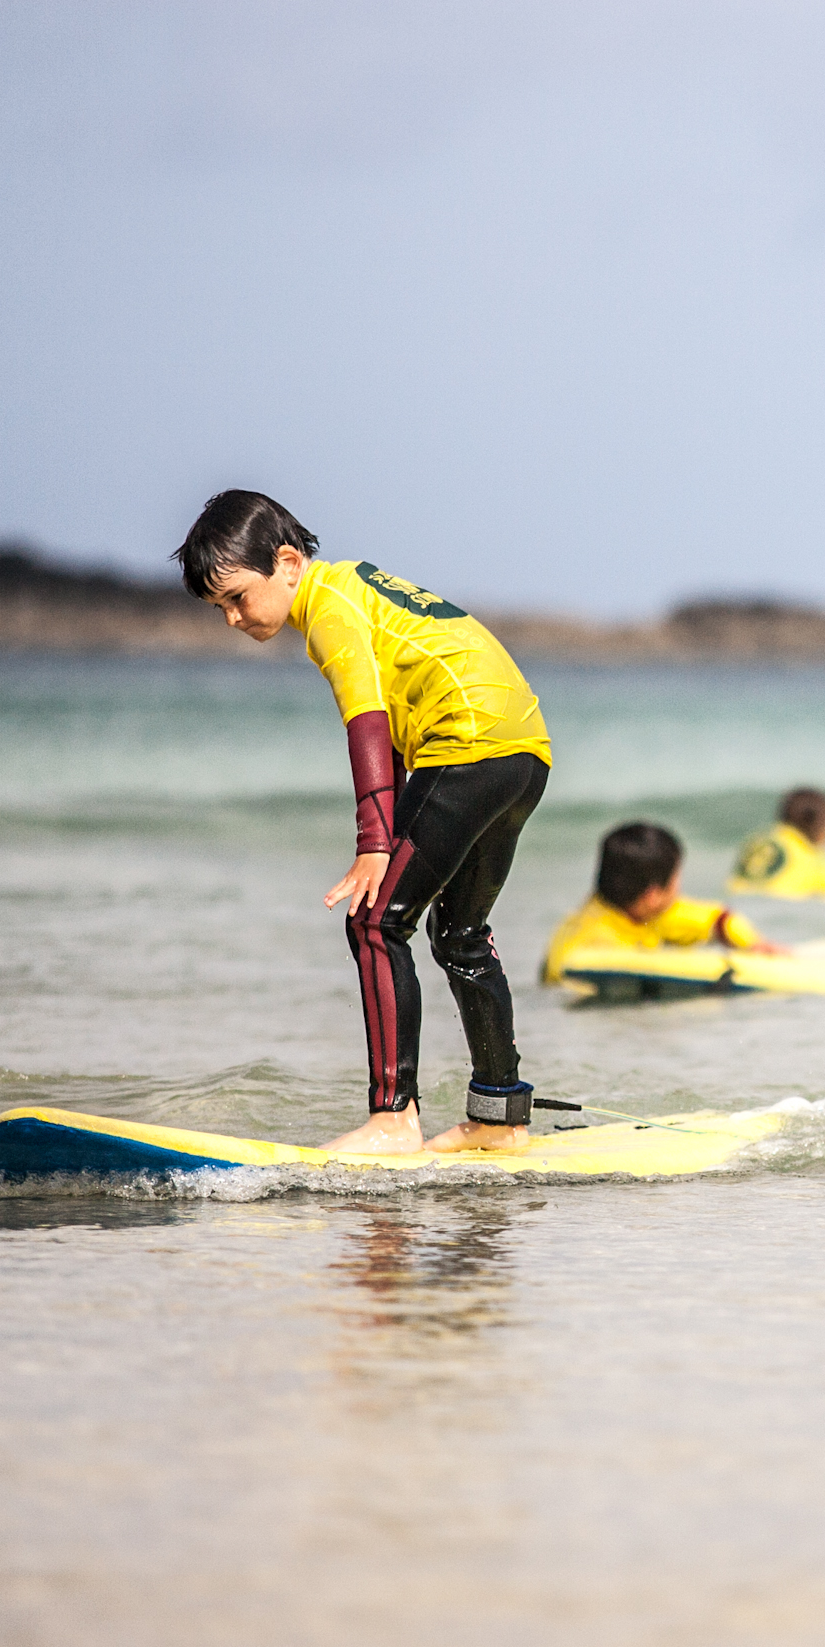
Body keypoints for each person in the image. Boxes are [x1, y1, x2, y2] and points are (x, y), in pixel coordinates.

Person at [176, 490, 551, 1156]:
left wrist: (374, 843)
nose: (233, 617)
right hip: (523, 750)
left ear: (288, 562)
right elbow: (407, 713)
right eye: (219, 608)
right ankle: (500, 1118)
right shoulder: (358, 589)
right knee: (460, 932)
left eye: (237, 596)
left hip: (467, 741)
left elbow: (367, 722)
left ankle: (394, 1117)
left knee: (374, 918)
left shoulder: (327, 605)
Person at [543, 822, 785, 985]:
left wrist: (753, 945)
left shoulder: (645, 913)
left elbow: (718, 919)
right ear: (653, 895)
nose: (679, 890)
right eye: (676, 880)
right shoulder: (591, 940)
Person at [729, 787, 825, 898]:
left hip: (738, 904)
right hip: (778, 907)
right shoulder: (809, 854)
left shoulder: (758, 839)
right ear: (823, 831)